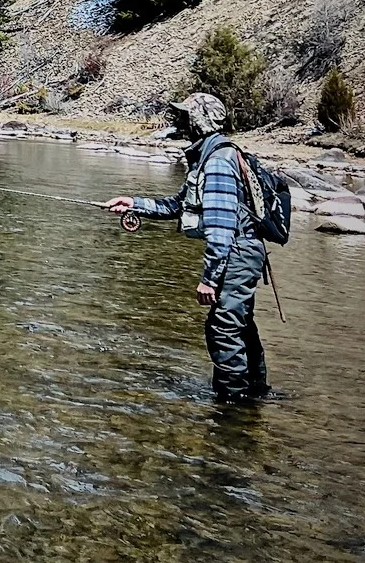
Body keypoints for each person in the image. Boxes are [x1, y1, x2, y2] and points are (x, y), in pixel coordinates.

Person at [105, 92, 271, 403]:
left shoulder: (219, 161)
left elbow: (221, 229)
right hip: (242, 252)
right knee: (238, 323)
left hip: (237, 253)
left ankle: (233, 404)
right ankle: (256, 393)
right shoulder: (210, 156)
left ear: (202, 121)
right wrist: (134, 204)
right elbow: (179, 205)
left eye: (186, 115)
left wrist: (209, 278)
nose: (181, 121)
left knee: (223, 328)